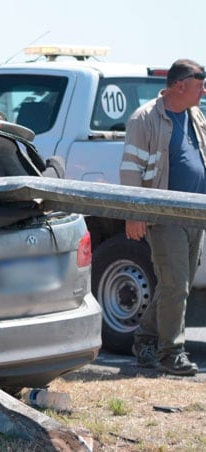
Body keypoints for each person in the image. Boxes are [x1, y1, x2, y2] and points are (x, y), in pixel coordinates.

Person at [121, 59, 206, 376]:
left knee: (174, 283)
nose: (204, 90)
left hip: (195, 213)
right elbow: (130, 172)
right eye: (200, 84)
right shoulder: (144, 119)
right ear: (180, 85)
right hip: (164, 214)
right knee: (176, 286)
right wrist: (134, 212)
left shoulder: (195, 115)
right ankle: (172, 352)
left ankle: (144, 340)